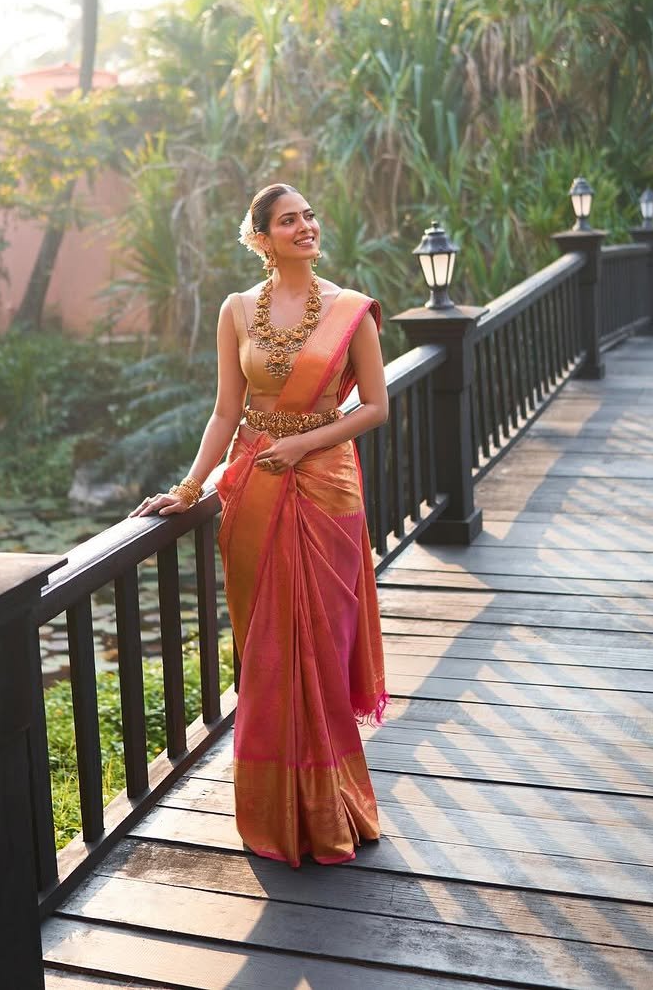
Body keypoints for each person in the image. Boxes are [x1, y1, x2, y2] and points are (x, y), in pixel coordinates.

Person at [130, 182, 389, 866]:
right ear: (262, 237)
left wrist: (304, 443)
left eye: (308, 214)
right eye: (287, 219)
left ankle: (333, 807)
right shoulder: (237, 309)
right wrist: (190, 487)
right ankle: (274, 811)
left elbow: (375, 406)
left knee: (322, 654)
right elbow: (225, 409)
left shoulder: (350, 309)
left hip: (326, 488)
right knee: (270, 655)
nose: (305, 225)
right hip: (252, 492)